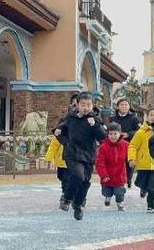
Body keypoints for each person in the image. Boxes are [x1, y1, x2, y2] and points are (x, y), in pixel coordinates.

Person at [56, 92, 106, 220]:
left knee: (85, 182)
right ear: (77, 105)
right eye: (82, 104)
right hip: (72, 153)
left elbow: (103, 137)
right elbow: (58, 132)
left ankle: (77, 205)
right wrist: (66, 142)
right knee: (78, 176)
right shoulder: (70, 118)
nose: (85, 107)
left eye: (88, 105)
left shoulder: (95, 119)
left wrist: (94, 125)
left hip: (88, 155)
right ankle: (67, 199)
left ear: (92, 105)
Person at [128, 107, 154, 214]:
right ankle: (143, 188)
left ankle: (151, 205)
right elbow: (132, 146)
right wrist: (132, 158)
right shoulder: (141, 132)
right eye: (152, 115)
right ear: (147, 117)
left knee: (152, 188)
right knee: (141, 183)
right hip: (143, 164)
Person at [96, 123, 129, 211]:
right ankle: (108, 197)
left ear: (120, 134)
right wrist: (104, 175)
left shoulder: (125, 145)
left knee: (119, 192)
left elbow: (130, 157)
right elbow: (100, 163)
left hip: (120, 174)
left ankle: (119, 203)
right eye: (110, 134)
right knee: (107, 191)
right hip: (107, 175)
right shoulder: (103, 147)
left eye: (115, 134)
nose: (113, 136)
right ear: (107, 134)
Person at [110, 98, 141, 188]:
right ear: (118, 107)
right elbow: (110, 130)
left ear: (129, 107)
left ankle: (129, 179)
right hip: (116, 144)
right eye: (122, 104)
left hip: (129, 144)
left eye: (126, 105)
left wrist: (128, 134)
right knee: (117, 162)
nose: (124, 106)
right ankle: (118, 179)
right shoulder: (113, 118)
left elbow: (139, 131)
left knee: (129, 162)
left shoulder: (134, 118)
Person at [44, 133, 67, 208]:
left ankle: (66, 194)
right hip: (61, 162)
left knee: (69, 179)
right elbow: (53, 145)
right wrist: (49, 157)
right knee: (61, 177)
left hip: (73, 161)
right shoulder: (60, 133)